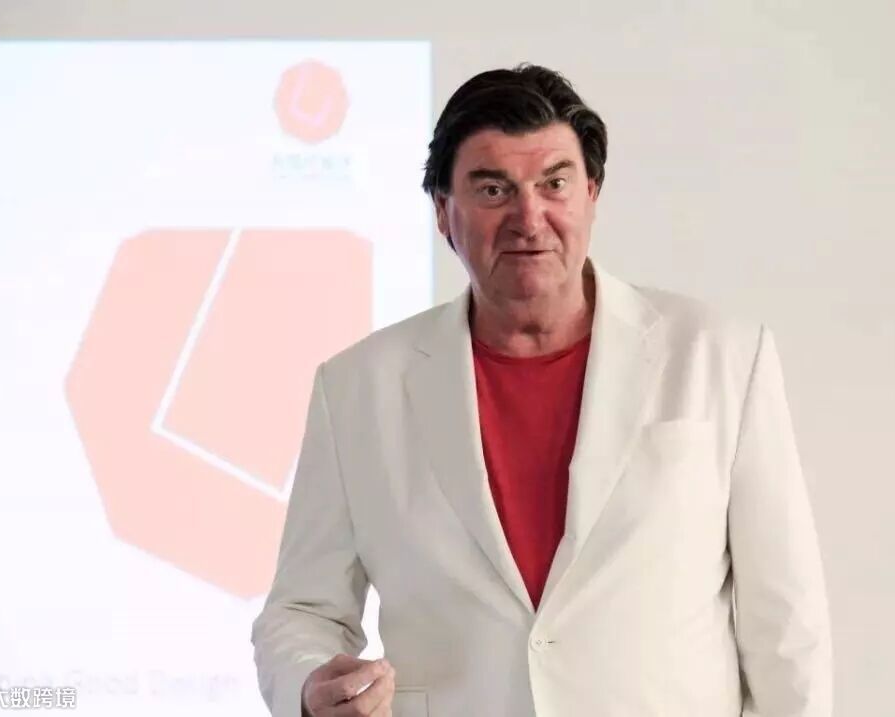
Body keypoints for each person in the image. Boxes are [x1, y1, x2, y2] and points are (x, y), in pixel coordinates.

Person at [251, 63, 832, 717]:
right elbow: (302, 610)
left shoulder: (720, 355)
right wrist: (309, 686)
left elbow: (786, 624)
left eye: (554, 184)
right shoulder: (357, 387)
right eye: (492, 189)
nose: (529, 218)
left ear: (592, 193)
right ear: (443, 211)